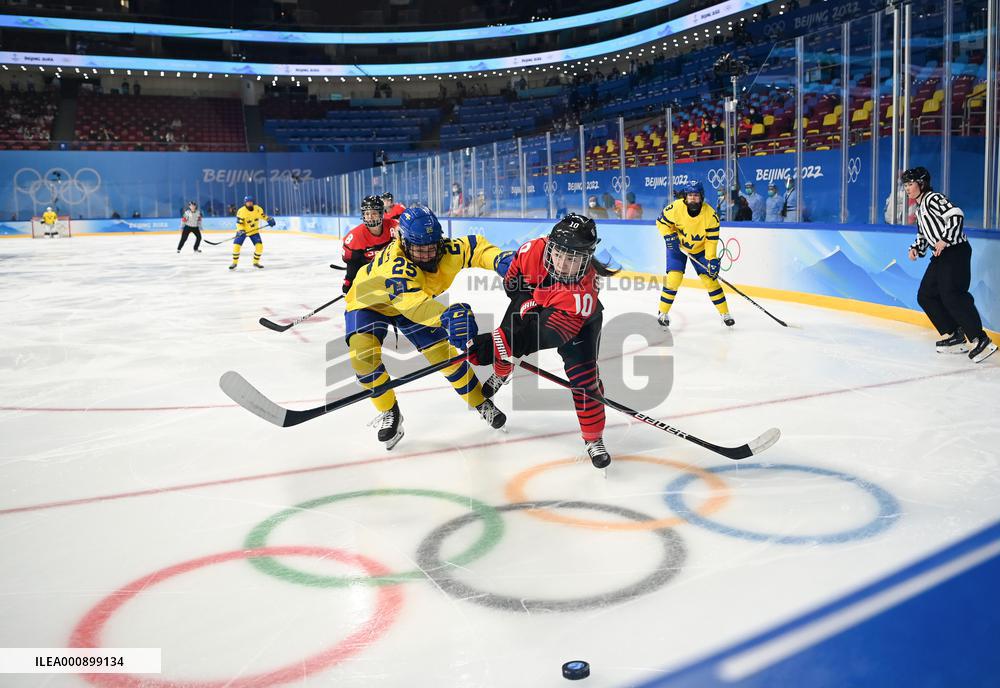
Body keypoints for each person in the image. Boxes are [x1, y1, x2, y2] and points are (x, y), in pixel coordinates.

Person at [344, 206, 511, 449]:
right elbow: (414, 308)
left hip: (412, 299)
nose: (427, 255)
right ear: (405, 242)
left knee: (444, 356)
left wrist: (499, 258)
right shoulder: (396, 266)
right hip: (369, 302)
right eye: (420, 249)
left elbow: (475, 247)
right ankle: (390, 410)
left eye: (432, 247)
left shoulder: (443, 250)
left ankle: (480, 401)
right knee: (362, 358)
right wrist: (446, 316)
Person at [464, 214, 619, 469]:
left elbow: (550, 334)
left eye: (573, 259)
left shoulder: (585, 289)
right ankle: (501, 373)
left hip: (579, 324)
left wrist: (503, 341)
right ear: (550, 245)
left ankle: (593, 438)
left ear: (587, 258)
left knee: (584, 381)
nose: (563, 264)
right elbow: (512, 284)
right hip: (533, 301)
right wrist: (530, 303)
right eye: (559, 254)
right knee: (504, 341)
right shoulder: (531, 251)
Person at [903, 167, 996, 363]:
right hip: (942, 254)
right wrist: (916, 248)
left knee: (953, 294)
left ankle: (981, 339)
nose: (907, 188)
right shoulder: (920, 207)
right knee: (926, 295)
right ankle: (955, 335)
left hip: (956, 251)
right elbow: (924, 234)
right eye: (905, 184)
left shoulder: (933, 198)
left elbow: (956, 214)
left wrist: (945, 239)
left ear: (922, 184)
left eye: (910, 184)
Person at [655, 181, 734, 328]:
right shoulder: (675, 208)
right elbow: (661, 222)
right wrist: (668, 236)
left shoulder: (711, 215)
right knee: (674, 278)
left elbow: (711, 241)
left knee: (710, 280)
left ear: (701, 197)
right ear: (685, 197)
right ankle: (662, 313)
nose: (692, 198)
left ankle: (725, 314)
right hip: (677, 246)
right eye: (690, 195)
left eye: (696, 195)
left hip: (700, 249)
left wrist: (712, 260)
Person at [341, 196, 397, 293]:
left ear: (381, 213)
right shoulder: (356, 236)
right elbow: (353, 264)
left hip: (393, 271)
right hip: (369, 274)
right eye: (367, 214)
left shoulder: (395, 227)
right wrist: (349, 282)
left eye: (374, 213)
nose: (370, 217)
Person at [230, 195, 274, 270]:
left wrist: (269, 219)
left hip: (254, 231)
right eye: (248, 202)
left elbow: (263, 216)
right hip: (242, 231)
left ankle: (256, 262)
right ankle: (234, 263)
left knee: (259, 247)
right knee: (236, 246)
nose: (249, 203)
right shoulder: (241, 211)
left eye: (251, 202)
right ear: (245, 203)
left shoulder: (258, 209)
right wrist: (240, 230)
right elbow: (239, 223)